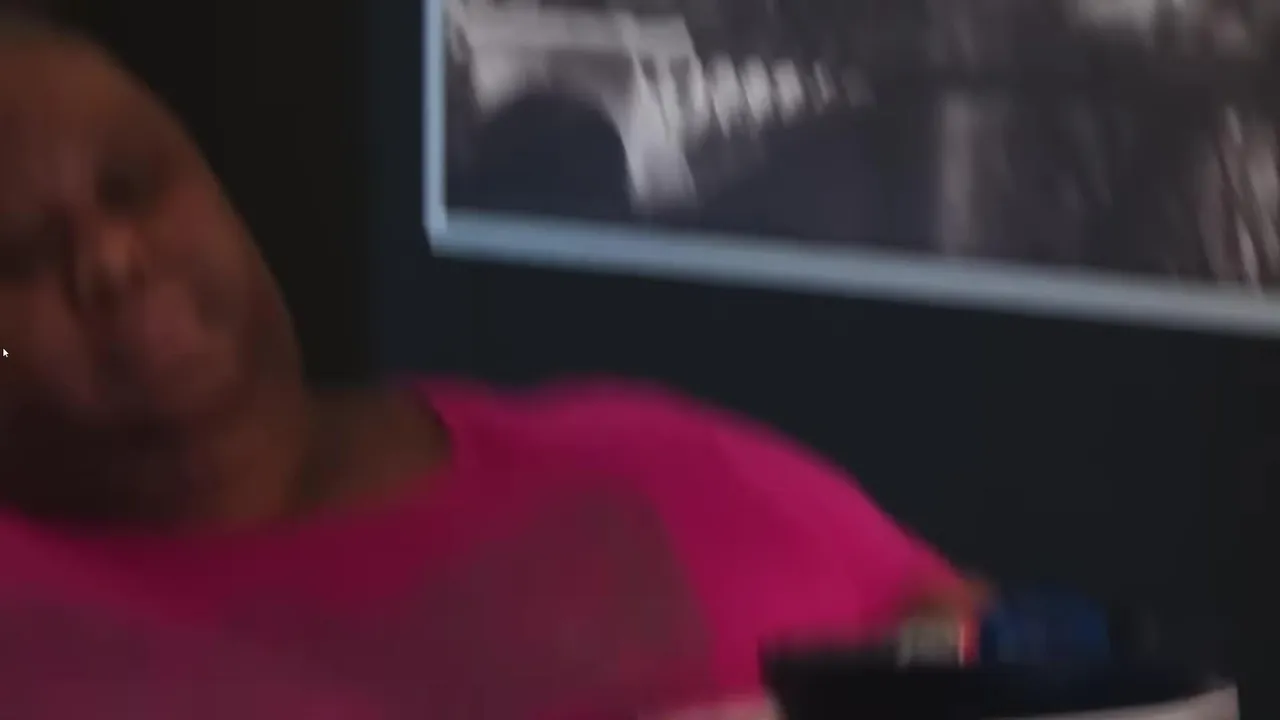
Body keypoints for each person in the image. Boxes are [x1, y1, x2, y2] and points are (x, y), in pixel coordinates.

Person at [0, 15, 984, 719]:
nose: (112, 258)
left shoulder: (654, 455)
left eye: (133, 184)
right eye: (15, 252)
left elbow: (965, 624)